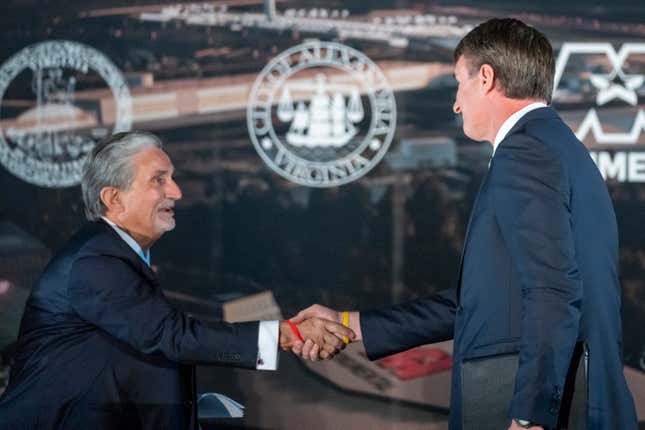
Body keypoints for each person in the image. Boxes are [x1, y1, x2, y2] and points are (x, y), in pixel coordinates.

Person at [292, 18, 638, 430]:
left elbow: (553, 289)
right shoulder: (555, 147)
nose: (456, 103)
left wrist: (529, 418)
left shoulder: (525, 153)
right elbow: (475, 304)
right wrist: (349, 324)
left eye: (460, 82)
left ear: (487, 78)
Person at [0, 131, 355, 430]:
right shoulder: (96, 261)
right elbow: (171, 336)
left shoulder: (112, 256)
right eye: (159, 180)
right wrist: (287, 334)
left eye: (172, 177)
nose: (177, 192)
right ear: (114, 198)